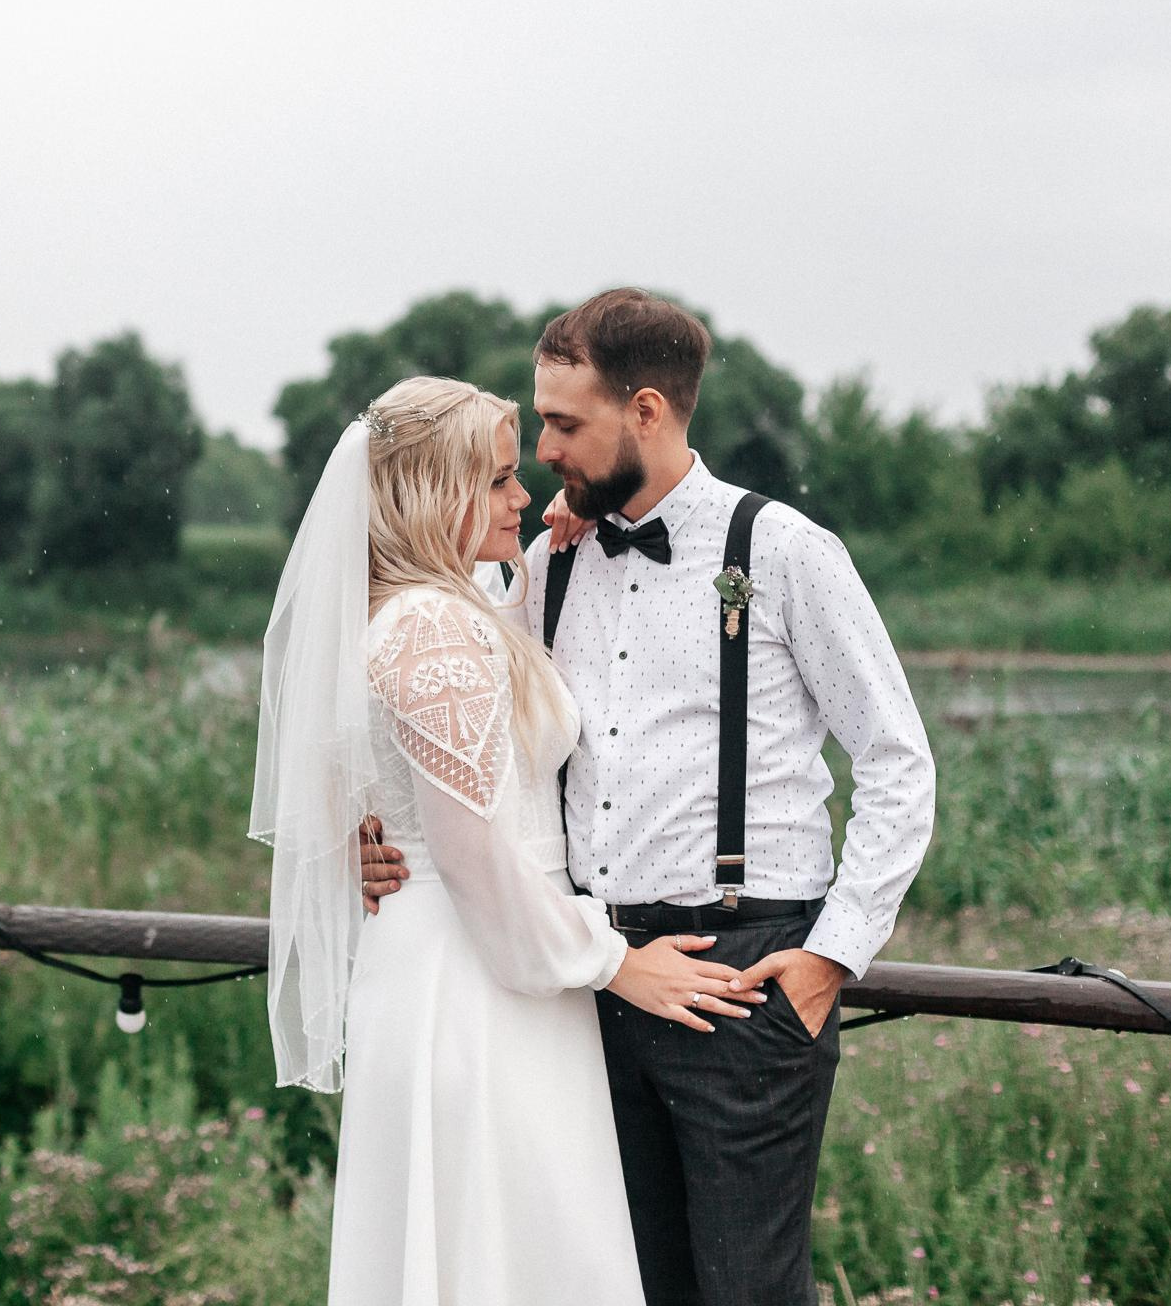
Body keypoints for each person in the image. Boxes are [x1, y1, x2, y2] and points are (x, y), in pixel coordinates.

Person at [359, 290, 937, 1306]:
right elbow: (449, 721)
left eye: (565, 422)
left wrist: (833, 955)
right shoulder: (545, 563)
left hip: (745, 982)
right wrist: (371, 831)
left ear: (649, 413)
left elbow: (896, 759)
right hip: (586, 986)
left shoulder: (786, 552)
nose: (544, 448)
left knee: (748, 1292)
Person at [253, 374, 769, 1306]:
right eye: (496, 482)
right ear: (430, 494)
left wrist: (538, 547)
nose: (524, 493)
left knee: (485, 1254)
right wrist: (617, 962)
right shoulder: (435, 633)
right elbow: (479, 858)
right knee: (517, 1251)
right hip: (483, 980)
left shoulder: (422, 615)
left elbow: (472, 704)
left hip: (451, 964)